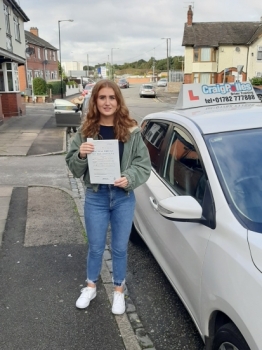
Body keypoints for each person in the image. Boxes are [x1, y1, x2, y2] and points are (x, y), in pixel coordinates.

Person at [66, 79, 151, 314]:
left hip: (123, 197)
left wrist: (129, 177)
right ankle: (91, 286)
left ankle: (118, 291)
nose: (107, 102)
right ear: (95, 101)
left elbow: (143, 165)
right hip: (96, 196)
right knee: (95, 246)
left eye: (111, 97)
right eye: (101, 97)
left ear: (118, 101)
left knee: (120, 248)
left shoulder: (132, 131)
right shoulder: (86, 132)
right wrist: (81, 156)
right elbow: (73, 168)